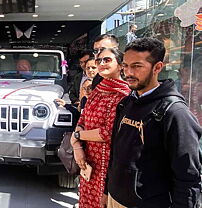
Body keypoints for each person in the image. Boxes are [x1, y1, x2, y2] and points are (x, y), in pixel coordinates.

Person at [102, 37, 202, 208]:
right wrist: (106, 191)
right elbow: (116, 153)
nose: (128, 72)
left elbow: (188, 175)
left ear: (157, 67)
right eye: (125, 66)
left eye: (137, 66)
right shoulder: (126, 103)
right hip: (115, 198)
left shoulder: (175, 113)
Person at [70, 48, 131, 208]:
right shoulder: (96, 91)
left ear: (120, 66)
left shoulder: (123, 95)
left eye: (107, 60)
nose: (101, 64)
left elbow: (107, 133)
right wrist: (77, 148)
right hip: (88, 162)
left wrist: (77, 137)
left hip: (107, 167)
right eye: (99, 61)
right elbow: (82, 119)